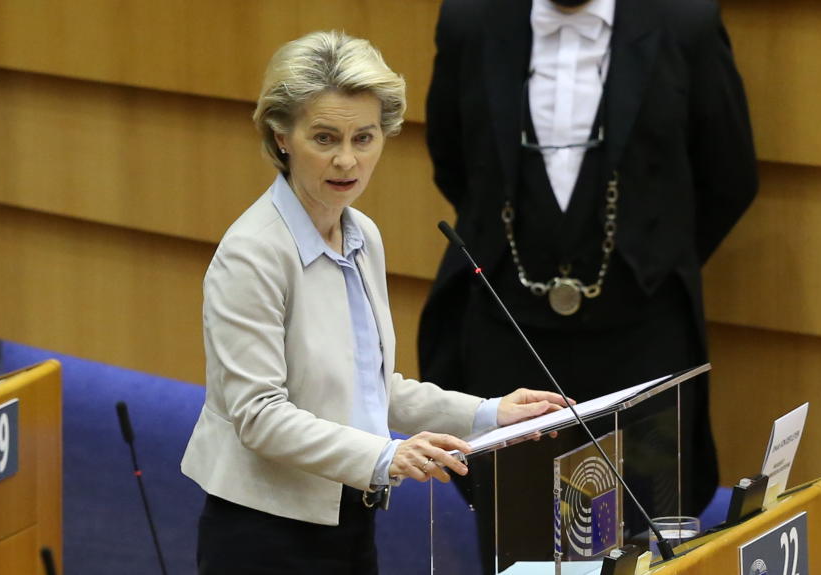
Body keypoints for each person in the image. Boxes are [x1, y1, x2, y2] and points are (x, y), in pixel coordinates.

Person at [181, 30, 570, 575]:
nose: (347, 161)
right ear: (282, 137)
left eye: (364, 138)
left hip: (352, 516)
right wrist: (388, 455)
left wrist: (489, 414)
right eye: (324, 138)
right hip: (265, 532)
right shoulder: (252, 254)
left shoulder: (361, 234)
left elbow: (371, 389)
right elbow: (258, 416)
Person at [420, 0, 758, 568]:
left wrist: (648, 261)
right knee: (517, 549)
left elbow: (730, 174)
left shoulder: (684, 22)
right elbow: (453, 163)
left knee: (649, 550)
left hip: (643, 336)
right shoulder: (469, 22)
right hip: (508, 336)